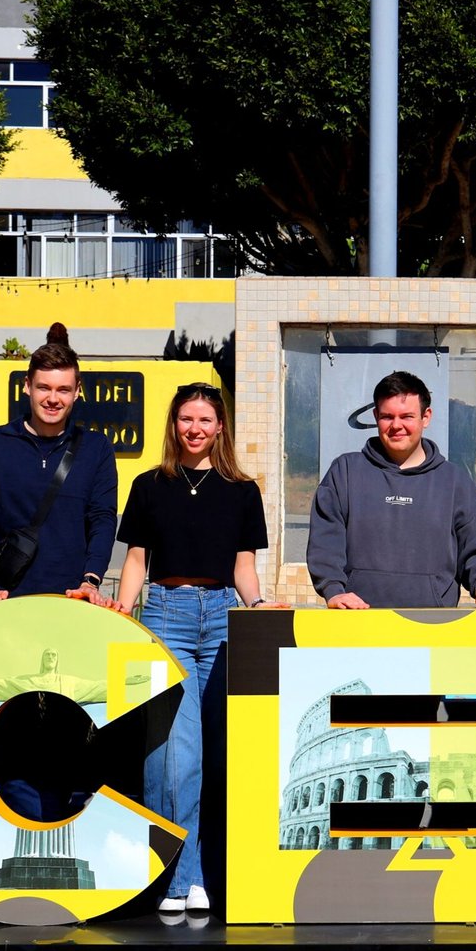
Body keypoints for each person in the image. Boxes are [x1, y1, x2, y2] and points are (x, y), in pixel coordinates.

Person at [114, 382, 274, 915]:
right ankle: (181, 880)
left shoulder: (242, 491)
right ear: (174, 424)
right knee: (175, 756)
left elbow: (244, 567)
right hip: (166, 616)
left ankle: (198, 874)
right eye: (186, 419)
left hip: (224, 619)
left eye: (205, 420)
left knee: (214, 754)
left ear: (220, 426)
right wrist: (123, 608)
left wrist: (257, 606)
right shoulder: (148, 485)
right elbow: (137, 559)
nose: (195, 429)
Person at [308, 371, 476, 619]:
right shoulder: (345, 472)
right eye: (387, 417)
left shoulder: (454, 481)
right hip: (358, 620)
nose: (396, 425)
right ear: (376, 417)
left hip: (433, 623)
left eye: (407, 416)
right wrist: (333, 591)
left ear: (426, 417)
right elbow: (325, 541)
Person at [0, 325, 118, 608]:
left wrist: (90, 581)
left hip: (74, 600)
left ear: (77, 392)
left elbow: (102, 520)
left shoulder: (96, 448)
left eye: (63, 390)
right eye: (44, 387)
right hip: (8, 602)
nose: (53, 399)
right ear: (27, 386)